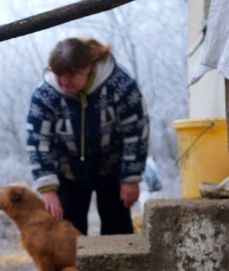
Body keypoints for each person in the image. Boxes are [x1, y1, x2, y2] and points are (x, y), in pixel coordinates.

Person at [25, 37, 149, 236]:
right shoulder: (45, 94)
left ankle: (115, 268)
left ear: (87, 68)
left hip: (113, 170)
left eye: (71, 75)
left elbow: (136, 130)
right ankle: (68, 269)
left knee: (118, 234)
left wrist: (131, 177)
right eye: (59, 75)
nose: (64, 82)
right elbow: (37, 141)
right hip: (68, 172)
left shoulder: (120, 85)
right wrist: (47, 189)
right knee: (66, 238)